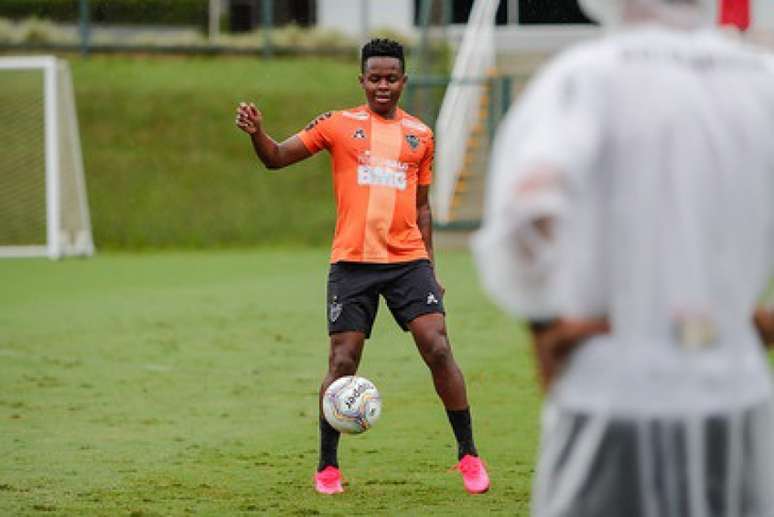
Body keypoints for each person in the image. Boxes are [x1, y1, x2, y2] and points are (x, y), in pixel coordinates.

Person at [472, 0, 774, 515]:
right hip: (734, 399)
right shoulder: (760, 82)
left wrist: (545, 322)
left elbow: (527, 209)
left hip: (612, 394)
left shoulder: (586, 81)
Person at [235, 38, 489, 495]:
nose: (383, 86)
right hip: (352, 263)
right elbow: (275, 158)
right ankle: (327, 467)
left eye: (391, 78)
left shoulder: (421, 135)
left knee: (437, 347)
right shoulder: (336, 124)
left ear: (404, 80)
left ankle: (468, 455)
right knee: (343, 360)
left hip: (407, 260)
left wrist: (431, 269)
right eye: (375, 78)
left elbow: (423, 209)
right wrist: (257, 133)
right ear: (362, 81)